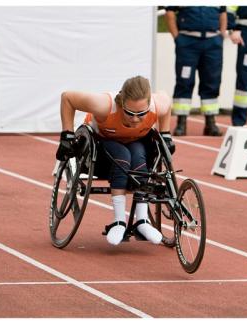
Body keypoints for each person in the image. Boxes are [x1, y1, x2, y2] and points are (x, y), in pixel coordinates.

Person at [56, 76, 175, 246]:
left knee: (140, 156)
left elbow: (167, 103)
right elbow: (67, 98)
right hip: (102, 142)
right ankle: (119, 221)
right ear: (121, 103)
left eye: (141, 114)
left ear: (149, 105)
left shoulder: (158, 105)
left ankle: (142, 221)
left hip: (135, 141)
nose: (135, 119)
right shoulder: (105, 105)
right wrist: (66, 136)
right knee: (122, 156)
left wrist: (165, 134)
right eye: (129, 113)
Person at [165, 6, 227, 136]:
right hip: (188, 43)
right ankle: (181, 123)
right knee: (184, 81)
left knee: (212, 81)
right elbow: (169, 12)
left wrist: (221, 36)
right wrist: (177, 38)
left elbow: (223, 13)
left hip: (213, 43)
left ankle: (210, 123)